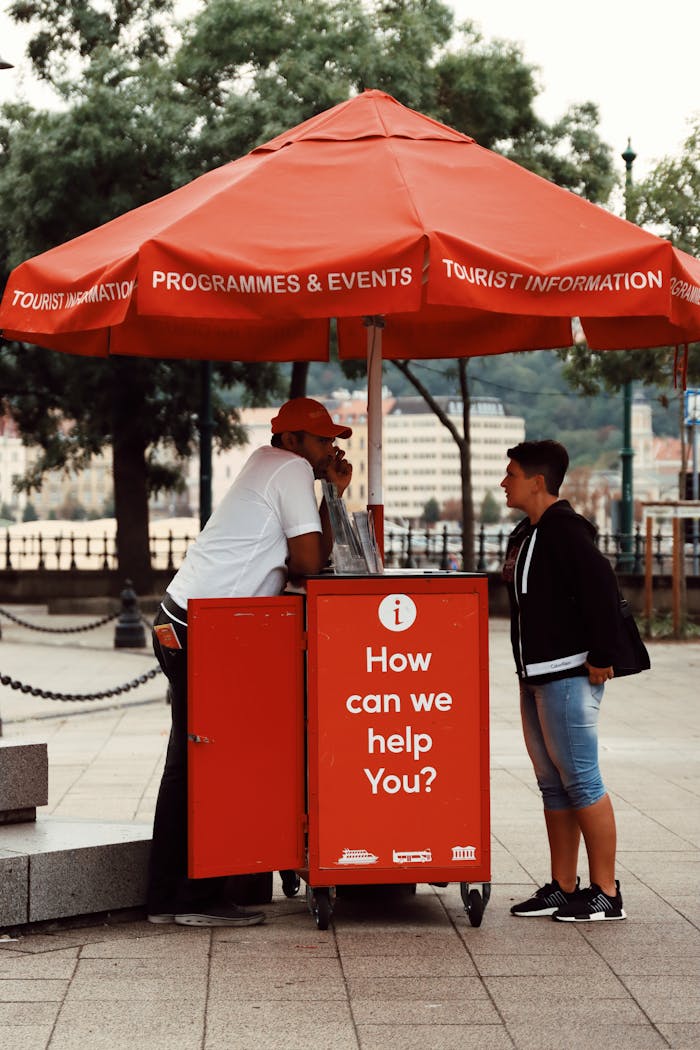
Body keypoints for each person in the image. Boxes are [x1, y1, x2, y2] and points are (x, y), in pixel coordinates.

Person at [147, 397, 352, 927]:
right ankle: (197, 898)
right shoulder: (287, 469)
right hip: (206, 632)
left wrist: (328, 491)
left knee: (188, 762)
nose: (331, 447)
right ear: (291, 440)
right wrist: (328, 491)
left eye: (333, 440)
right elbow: (310, 562)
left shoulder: (268, 464)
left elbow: (310, 556)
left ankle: (168, 896)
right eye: (322, 439)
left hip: (185, 620)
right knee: (213, 760)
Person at [500, 440, 626, 922]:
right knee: (551, 783)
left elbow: (601, 588)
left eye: (510, 474)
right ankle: (563, 884)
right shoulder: (528, 532)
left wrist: (602, 655)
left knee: (581, 780)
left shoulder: (567, 531)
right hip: (534, 674)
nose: (504, 482)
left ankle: (606, 892)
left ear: (537, 481)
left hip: (569, 673)